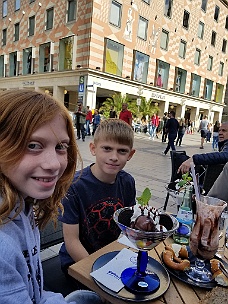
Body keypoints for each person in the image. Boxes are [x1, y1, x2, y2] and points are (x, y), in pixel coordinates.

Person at [0, 89, 80, 303]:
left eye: (61, 147)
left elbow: (34, 293)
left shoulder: (22, 204)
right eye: (33, 145)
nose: (54, 164)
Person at [58, 119, 136, 274]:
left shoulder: (127, 182)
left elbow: (128, 225)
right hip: (78, 262)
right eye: (107, 148)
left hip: (110, 256)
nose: (114, 157)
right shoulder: (74, 187)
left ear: (130, 154)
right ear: (93, 149)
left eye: (122, 151)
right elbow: (72, 241)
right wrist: (97, 272)